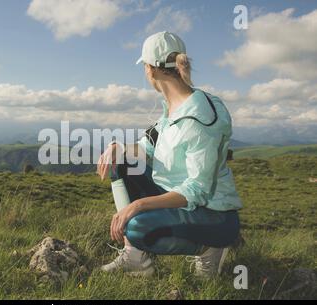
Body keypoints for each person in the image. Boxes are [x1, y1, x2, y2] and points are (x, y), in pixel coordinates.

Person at [96, 31, 243, 278]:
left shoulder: (200, 119)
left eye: (144, 66)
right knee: (119, 164)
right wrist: (117, 148)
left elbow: (198, 189)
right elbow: (148, 146)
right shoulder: (173, 107)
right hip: (181, 199)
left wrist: (138, 205)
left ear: (151, 69)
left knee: (138, 227)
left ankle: (209, 250)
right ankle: (136, 258)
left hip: (214, 215)